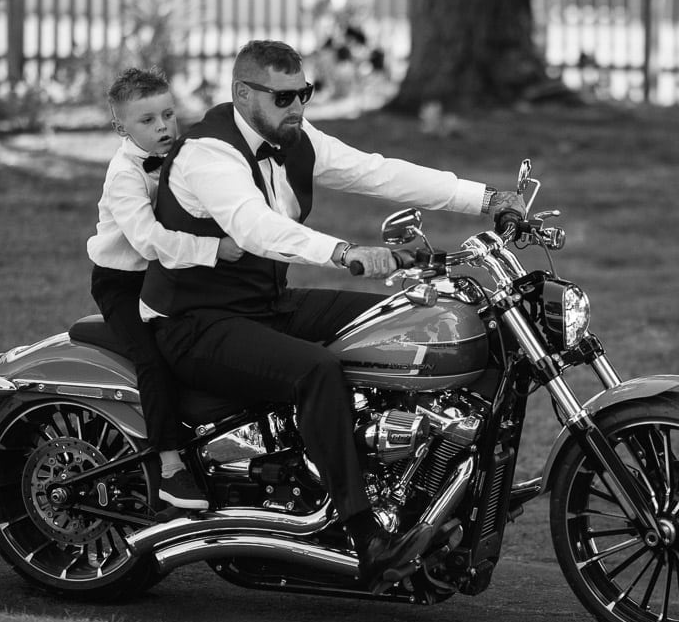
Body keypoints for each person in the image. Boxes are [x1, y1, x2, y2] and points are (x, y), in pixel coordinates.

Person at [140, 39, 525, 587]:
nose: (297, 106)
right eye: (283, 96)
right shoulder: (208, 154)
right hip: (197, 322)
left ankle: (454, 488)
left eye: (305, 93)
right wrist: (343, 252)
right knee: (316, 371)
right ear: (242, 93)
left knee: (408, 320)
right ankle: (365, 534)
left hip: (265, 305)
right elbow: (256, 227)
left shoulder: (295, 138)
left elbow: (377, 172)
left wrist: (486, 199)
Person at [86, 66, 244, 511]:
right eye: (148, 121)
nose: (163, 127)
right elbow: (148, 241)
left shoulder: (182, 154)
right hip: (123, 282)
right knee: (151, 359)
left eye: (168, 115)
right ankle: (170, 468)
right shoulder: (124, 175)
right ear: (121, 127)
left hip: (168, 276)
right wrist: (213, 249)